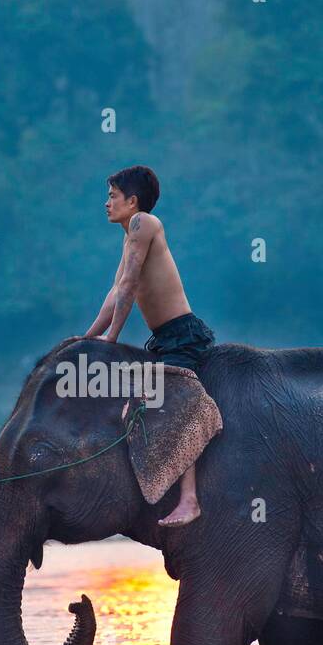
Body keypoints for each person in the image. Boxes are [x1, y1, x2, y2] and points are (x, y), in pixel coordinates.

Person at [85, 164, 216, 527]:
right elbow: (115, 292)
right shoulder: (130, 234)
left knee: (176, 405)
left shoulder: (144, 224)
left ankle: (189, 500)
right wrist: (89, 336)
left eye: (112, 196)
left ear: (133, 201)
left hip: (182, 335)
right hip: (161, 340)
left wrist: (111, 338)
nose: (106, 203)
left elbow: (128, 287)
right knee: (135, 406)